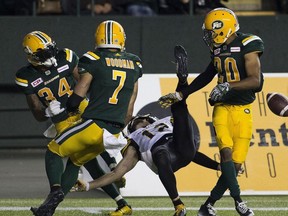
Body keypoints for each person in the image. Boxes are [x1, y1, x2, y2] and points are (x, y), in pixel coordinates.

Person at [72, 45, 221, 216]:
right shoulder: (134, 140)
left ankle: (182, 80)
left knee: (179, 110)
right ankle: (178, 205)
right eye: (138, 120)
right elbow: (117, 172)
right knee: (160, 151)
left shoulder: (164, 123)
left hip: (181, 145)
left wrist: (216, 166)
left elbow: (193, 154)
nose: (142, 120)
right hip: (165, 159)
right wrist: (90, 185)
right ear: (132, 126)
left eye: (143, 119)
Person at [18, 20, 141, 216]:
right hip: (61, 119)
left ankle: (54, 200)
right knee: (82, 159)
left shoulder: (66, 57)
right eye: (43, 53)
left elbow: (85, 85)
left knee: (70, 150)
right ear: (32, 56)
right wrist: (48, 112)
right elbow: (38, 114)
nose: (50, 55)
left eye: (51, 49)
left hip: (81, 109)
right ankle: (119, 198)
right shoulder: (25, 76)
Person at [158, 8, 264, 216]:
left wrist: (229, 86)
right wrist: (183, 94)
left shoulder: (249, 44)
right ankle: (239, 202)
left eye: (211, 31)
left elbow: (255, 80)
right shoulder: (217, 49)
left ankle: (208, 205)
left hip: (243, 109)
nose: (208, 36)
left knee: (234, 166)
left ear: (224, 28)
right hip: (222, 108)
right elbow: (208, 75)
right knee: (225, 152)